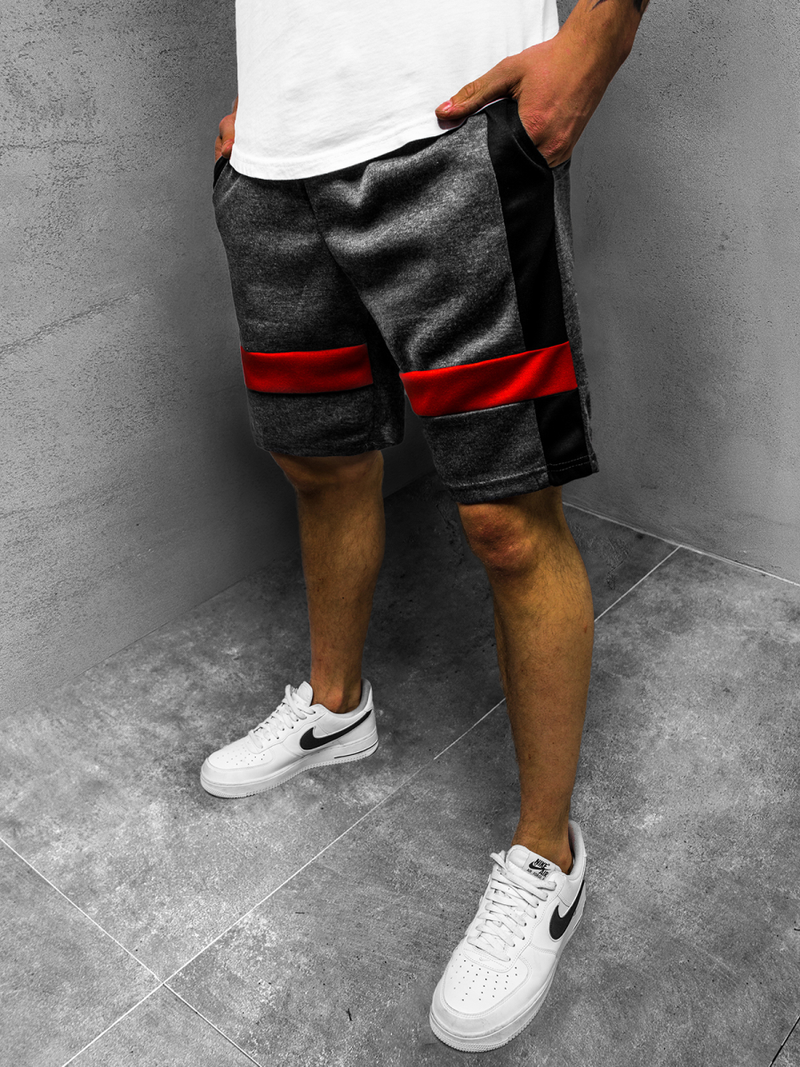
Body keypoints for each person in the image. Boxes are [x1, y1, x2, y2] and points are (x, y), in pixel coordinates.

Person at [201, 0, 650, 1051]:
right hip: (275, 164)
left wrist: (601, 32)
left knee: (506, 516)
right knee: (319, 461)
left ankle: (547, 857)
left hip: (452, 133)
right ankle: (335, 709)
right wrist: (274, 102)